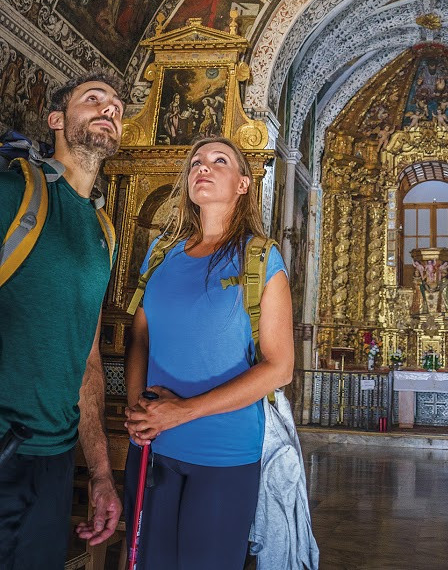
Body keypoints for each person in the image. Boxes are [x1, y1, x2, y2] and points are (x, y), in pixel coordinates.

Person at [124, 135, 294, 570]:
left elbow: (280, 368)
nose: (204, 166)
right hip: (154, 443)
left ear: (243, 183)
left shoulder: (260, 258)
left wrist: (182, 412)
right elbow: (140, 336)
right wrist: (137, 413)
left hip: (224, 452)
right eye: (196, 160)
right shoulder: (161, 252)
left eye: (220, 161)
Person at [0, 72, 126, 570]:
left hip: (54, 459)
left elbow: (87, 356)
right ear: (55, 120)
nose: (109, 109)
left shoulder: (103, 232)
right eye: (93, 99)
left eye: (116, 105)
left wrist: (99, 471)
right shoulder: (13, 194)